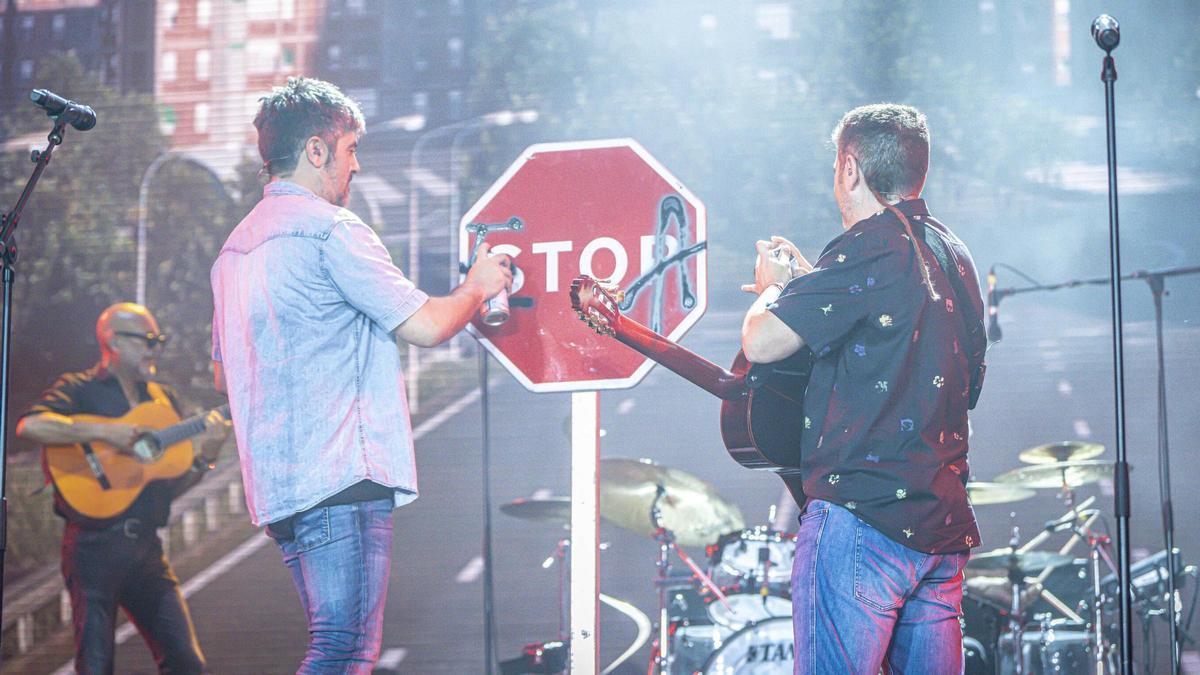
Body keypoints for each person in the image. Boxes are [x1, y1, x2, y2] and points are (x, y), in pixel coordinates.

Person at [209, 77, 511, 672]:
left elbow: (225, 379)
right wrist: (478, 286)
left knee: (334, 641)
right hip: (340, 475)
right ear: (316, 151)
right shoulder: (333, 232)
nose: (359, 166)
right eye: (350, 149)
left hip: (279, 494)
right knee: (343, 648)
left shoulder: (233, 253)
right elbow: (424, 325)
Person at [740, 103, 985, 674]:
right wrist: (813, 283)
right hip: (941, 531)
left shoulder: (867, 245)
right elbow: (959, 378)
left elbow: (762, 343)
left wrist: (773, 289)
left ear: (850, 168)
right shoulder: (954, 253)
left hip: (862, 524)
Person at [16, 302, 230, 674]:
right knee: (96, 665)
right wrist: (104, 432)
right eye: (146, 340)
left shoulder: (165, 401)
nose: (154, 349)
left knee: (186, 662)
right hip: (92, 549)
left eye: (158, 340)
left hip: (146, 550)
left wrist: (207, 455)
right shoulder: (80, 389)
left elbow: (168, 486)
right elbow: (31, 426)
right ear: (112, 340)